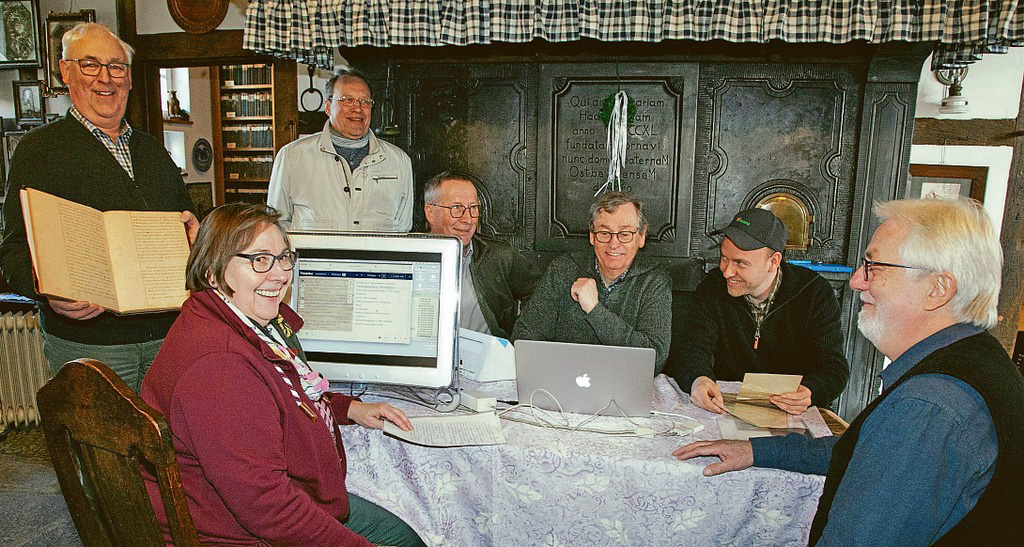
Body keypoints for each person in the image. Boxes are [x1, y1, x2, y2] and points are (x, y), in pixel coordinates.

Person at [673, 198, 1024, 545]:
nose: (856, 281)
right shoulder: (972, 361)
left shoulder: (929, 406)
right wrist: (758, 450)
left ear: (938, 289)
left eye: (874, 266)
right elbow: (863, 449)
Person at [141, 203, 425, 546]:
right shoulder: (221, 365)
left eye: (283, 257)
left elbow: (281, 390)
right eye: (259, 259)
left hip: (245, 508)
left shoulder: (230, 319)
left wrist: (346, 408)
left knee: (402, 534)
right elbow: (268, 508)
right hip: (230, 532)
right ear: (213, 271)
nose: (279, 274)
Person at [0, 23, 197, 392]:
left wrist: (195, 236)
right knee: (98, 448)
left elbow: (186, 227)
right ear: (66, 72)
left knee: (171, 444)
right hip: (88, 343)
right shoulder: (39, 151)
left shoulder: (153, 151)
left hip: (167, 338)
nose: (105, 78)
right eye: (90, 64)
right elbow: (12, 250)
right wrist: (50, 293)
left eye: (117, 66)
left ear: (130, 79)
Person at [665, 207, 848, 415]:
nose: (726, 271)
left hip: (789, 414)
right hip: (723, 409)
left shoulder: (815, 293)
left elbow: (834, 368)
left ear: (774, 262)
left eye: (740, 263)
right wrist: (698, 380)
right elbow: (693, 350)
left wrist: (811, 391)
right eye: (724, 258)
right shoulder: (713, 287)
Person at [513, 191, 672, 372]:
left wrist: (595, 310)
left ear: (641, 236)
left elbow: (654, 359)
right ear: (592, 236)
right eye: (604, 233)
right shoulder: (563, 269)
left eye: (625, 234)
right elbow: (524, 337)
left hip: (622, 390)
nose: (613, 243)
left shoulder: (655, 281)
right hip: (562, 382)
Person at [267, 68, 413, 232]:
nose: (357, 108)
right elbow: (277, 226)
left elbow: (403, 227)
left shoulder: (399, 161)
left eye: (365, 101)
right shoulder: (292, 156)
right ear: (328, 107)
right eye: (347, 100)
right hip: (313, 258)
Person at [423, 170, 541, 338]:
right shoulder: (406, 256)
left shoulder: (497, 256)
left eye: (473, 208)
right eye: (457, 208)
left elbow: (542, 294)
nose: (467, 219)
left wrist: (520, 338)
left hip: (484, 359)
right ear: (430, 212)